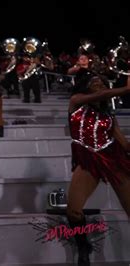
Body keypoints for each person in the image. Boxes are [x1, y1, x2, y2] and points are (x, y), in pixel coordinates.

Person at [67, 70, 130, 265]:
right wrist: (127, 89)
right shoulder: (76, 101)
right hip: (88, 157)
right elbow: (100, 96)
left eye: (103, 83)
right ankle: (83, 246)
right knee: (73, 211)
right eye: (94, 82)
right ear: (86, 87)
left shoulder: (110, 117)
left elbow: (125, 144)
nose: (99, 85)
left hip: (113, 157)